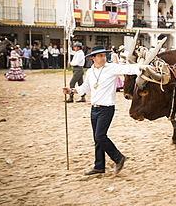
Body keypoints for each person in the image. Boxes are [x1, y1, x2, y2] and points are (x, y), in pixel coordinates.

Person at [62, 45, 150, 175]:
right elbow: (85, 88)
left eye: (104, 55)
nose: (103, 58)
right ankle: (99, 166)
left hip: (107, 108)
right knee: (97, 139)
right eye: (100, 56)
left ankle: (118, 158)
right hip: (94, 108)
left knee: (100, 136)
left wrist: (143, 67)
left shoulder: (111, 68)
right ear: (93, 58)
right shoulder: (90, 71)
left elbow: (128, 68)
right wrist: (71, 91)